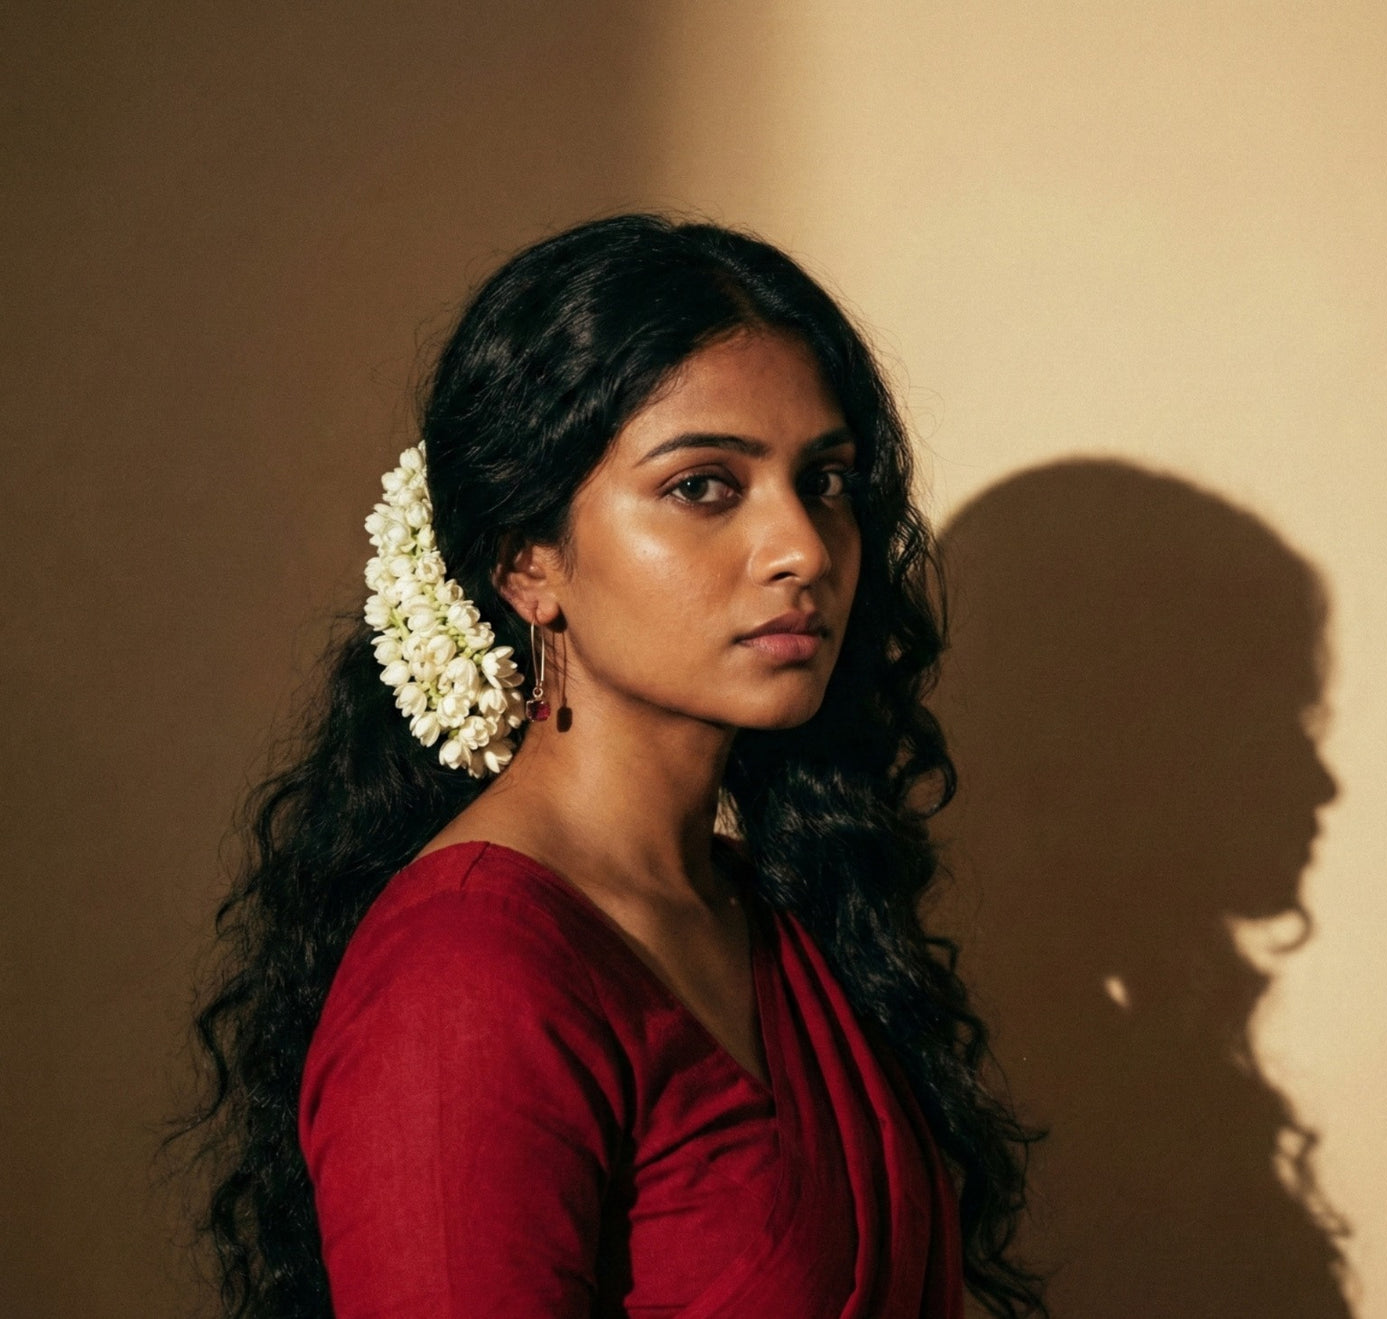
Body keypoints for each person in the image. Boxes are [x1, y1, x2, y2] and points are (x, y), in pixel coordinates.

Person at [180, 214, 1043, 1318]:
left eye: (825, 480)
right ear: (527, 562)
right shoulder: (467, 975)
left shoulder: (759, 906)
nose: (803, 547)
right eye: (703, 486)